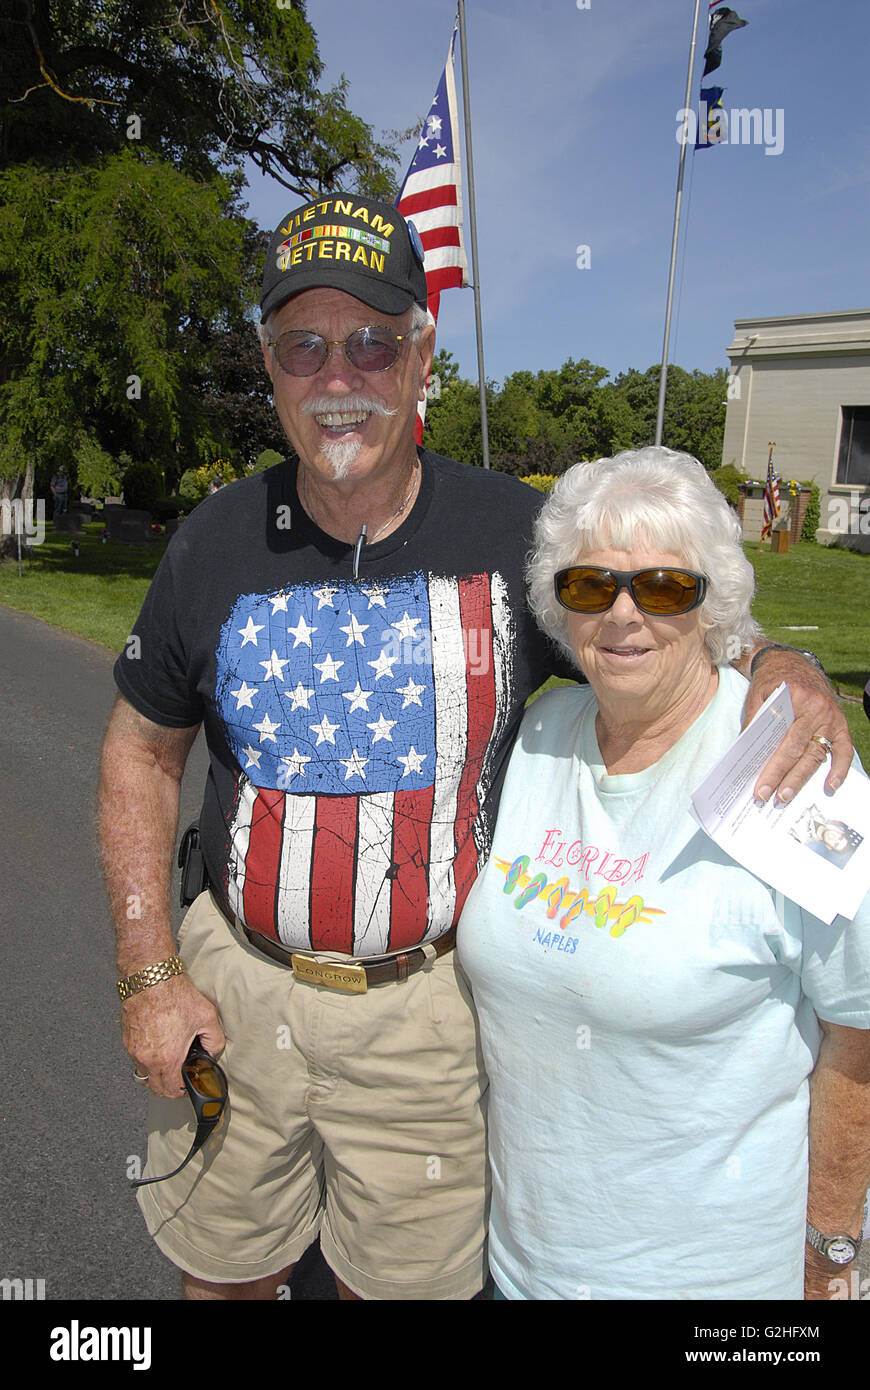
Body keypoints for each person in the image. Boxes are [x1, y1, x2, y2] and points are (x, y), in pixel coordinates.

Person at [98, 195, 852, 1302]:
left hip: (426, 1018)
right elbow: (139, 754)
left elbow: (642, 624)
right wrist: (148, 973)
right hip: (236, 994)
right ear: (269, 365)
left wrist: (779, 661)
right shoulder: (211, 538)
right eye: (303, 346)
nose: (338, 373)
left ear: (422, 357)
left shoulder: (515, 536)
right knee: (221, 1277)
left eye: (372, 341)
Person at [457, 447, 870, 1301]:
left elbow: (860, 1026)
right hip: (520, 1270)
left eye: (664, 587)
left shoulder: (793, 765)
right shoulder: (538, 734)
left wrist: (831, 1250)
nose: (622, 614)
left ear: (712, 601)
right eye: (589, 585)